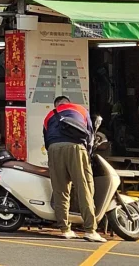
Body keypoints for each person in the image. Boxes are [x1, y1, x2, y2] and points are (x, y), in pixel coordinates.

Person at [44, 96, 105, 242]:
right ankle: (90, 230)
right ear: (68, 103)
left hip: (54, 149)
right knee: (84, 188)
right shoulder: (80, 109)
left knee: (60, 190)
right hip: (76, 147)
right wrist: (87, 154)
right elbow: (90, 134)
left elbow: (46, 140)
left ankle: (65, 229)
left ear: (56, 105)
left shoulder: (49, 116)